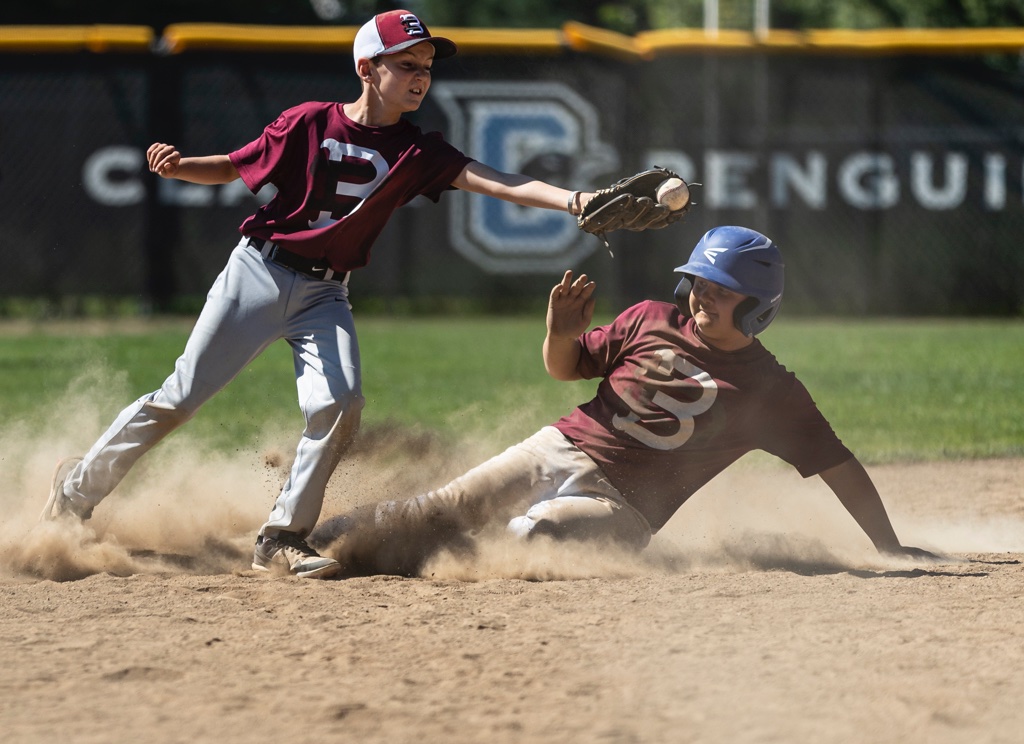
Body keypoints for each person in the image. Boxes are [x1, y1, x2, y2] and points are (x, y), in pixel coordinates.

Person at [39, 9, 600, 579]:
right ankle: (76, 490)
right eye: (406, 64)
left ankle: (281, 537)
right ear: (366, 68)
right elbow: (235, 167)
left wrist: (575, 200)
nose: (420, 76)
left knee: (340, 403)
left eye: (427, 67)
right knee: (180, 399)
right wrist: (182, 166)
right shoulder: (310, 122)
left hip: (325, 295)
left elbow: (499, 180)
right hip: (258, 274)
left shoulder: (418, 152)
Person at [309, 225, 940, 575]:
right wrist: (558, 331)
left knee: (532, 537)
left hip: (624, 507)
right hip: (556, 447)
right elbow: (566, 369)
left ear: (756, 308)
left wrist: (885, 544)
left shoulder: (770, 390)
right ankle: (310, 544)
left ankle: (415, 557)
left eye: (724, 292)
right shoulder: (648, 317)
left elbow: (838, 465)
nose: (704, 297)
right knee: (442, 505)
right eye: (701, 283)